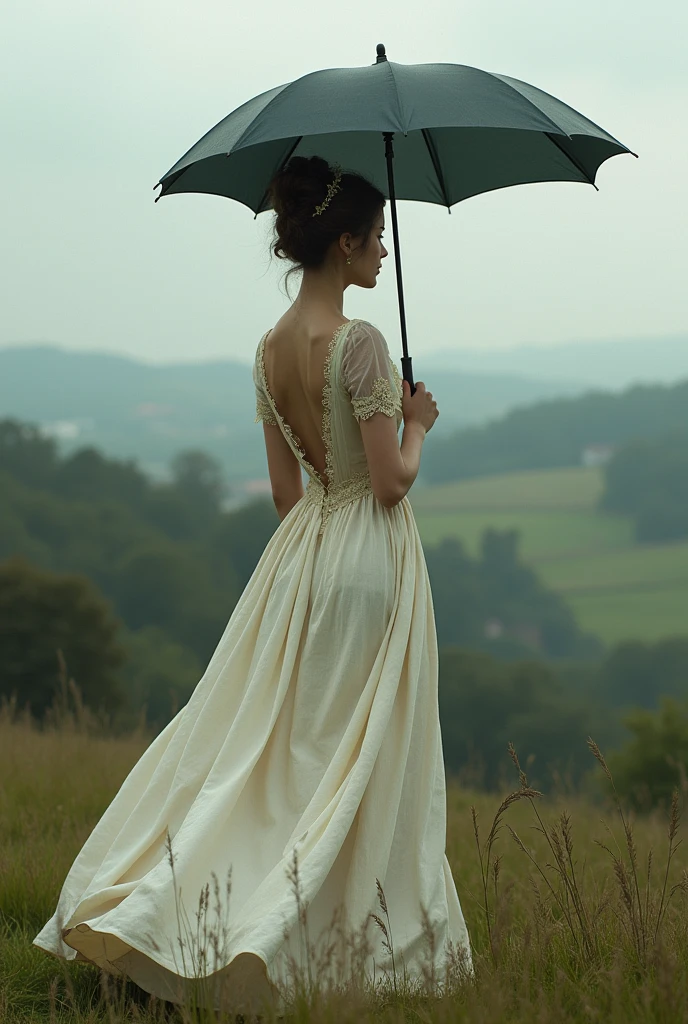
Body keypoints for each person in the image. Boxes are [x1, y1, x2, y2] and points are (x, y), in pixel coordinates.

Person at [33, 155, 471, 1016]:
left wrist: (319, 547)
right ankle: (315, 945)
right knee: (354, 754)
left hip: (302, 554)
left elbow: (284, 492)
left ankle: (190, 918)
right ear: (343, 244)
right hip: (368, 556)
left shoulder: (269, 350)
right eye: (376, 238)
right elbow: (388, 483)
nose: (382, 254)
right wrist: (416, 425)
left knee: (278, 752)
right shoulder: (362, 343)